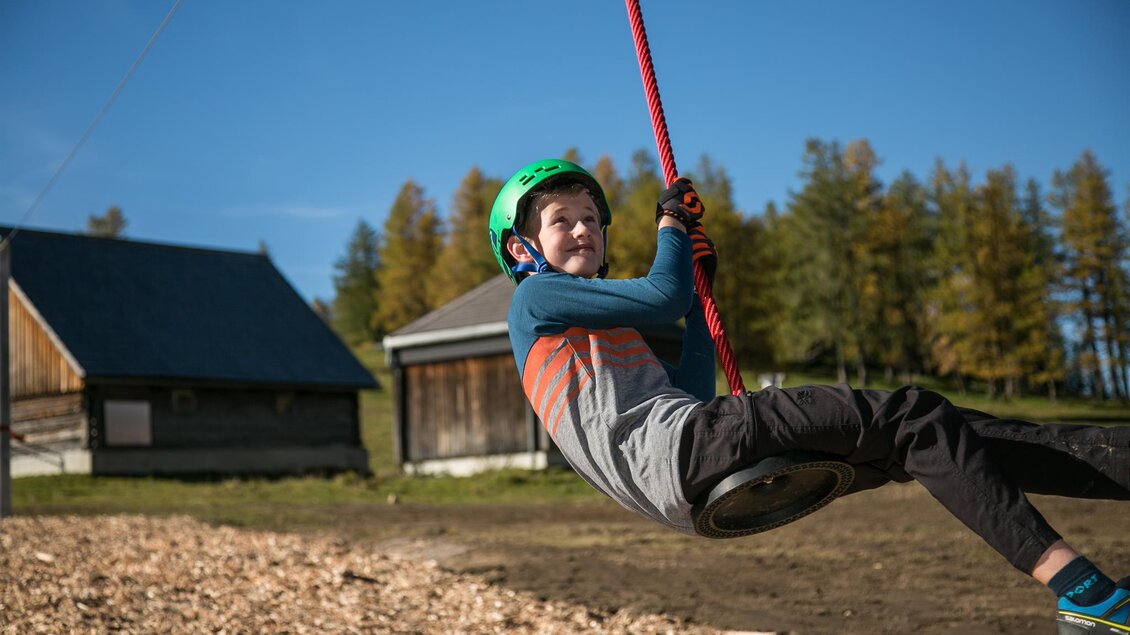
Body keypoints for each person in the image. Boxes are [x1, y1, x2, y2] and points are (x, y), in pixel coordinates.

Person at [488, 158, 1130, 634]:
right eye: (560, 221)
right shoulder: (534, 301)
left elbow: (691, 390)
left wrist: (697, 291)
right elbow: (663, 293)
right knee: (913, 411)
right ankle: (1083, 593)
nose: (583, 231)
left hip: (687, 468)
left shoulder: (605, 332)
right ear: (521, 249)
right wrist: (673, 229)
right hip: (687, 453)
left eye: (592, 220)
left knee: (937, 437)